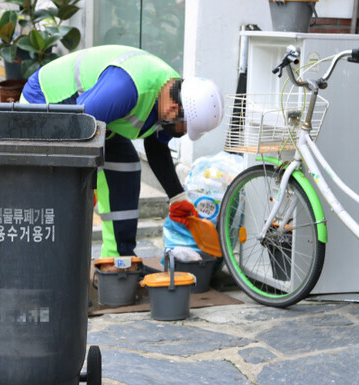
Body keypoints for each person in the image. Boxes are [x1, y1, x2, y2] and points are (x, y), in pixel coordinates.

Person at [20, 44, 223, 258]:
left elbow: (156, 147)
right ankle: (47, 263)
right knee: (68, 193)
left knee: (125, 167)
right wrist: (86, 183)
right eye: (183, 130)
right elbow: (78, 128)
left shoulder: (169, 93)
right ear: (173, 110)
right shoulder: (125, 88)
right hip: (46, 105)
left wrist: (177, 197)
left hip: (91, 118)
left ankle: (117, 263)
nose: (180, 135)